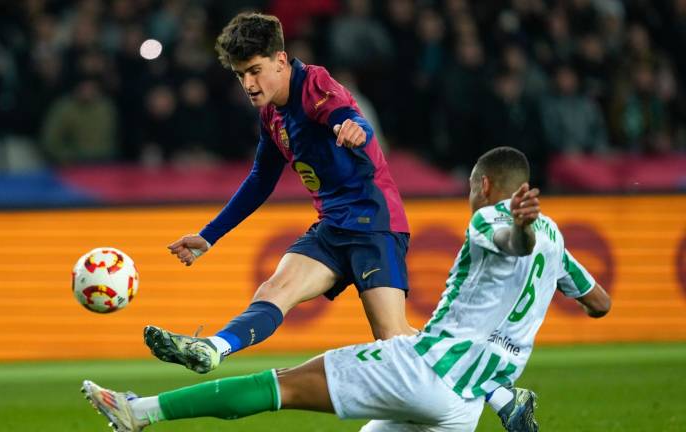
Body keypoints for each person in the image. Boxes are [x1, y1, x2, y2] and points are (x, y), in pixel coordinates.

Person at [82, 147, 612, 432]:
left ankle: (140, 412)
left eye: (473, 189)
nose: (470, 197)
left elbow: (509, 241)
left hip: (424, 370)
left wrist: (516, 228)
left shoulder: (488, 219)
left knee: (281, 386)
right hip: (465, 406)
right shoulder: (559, 244)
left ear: (487, 186)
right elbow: (599, 303)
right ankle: (504, 395)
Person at [143, 12, 415, 376]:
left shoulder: (314, 85)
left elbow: (346, 114)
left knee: (393, 339)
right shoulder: (272, 114)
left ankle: (496, 388)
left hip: (374, 222)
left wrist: (356, 129)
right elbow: (260, 181)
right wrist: (208, 236)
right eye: (241, 75)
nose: (249, 83)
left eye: (255, 70)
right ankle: (212, 348)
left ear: (281, 60)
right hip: (333, 227)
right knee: (274, 289)